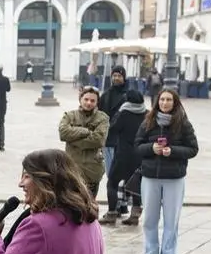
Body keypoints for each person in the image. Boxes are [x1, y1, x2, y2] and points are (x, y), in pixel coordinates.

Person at [134, 88, 199, 254]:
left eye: (169, 100)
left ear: (175, 102)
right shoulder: (148, 121)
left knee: (171, 218)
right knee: (149, 218)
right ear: (157, 102)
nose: (165, 103)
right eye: (162, 99)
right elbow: (137, 146)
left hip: (174, 178)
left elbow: (193, 149)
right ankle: (151, 253)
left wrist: (173, 152)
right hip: (150, 177)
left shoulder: (184, 124)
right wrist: (151, 149)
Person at [99, 89, 147, 226]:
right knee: (135, 184)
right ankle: (135, 216)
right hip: (140, 156)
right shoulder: (147, 114)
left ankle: (111, 214)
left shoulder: (124, 113)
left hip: (123, 155)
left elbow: (113, 128)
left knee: (112, 183)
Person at [58, 86, 109, 198]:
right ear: (80, 99)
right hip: (72, 170)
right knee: (71, 205)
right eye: (86, 99)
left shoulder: (103, 118)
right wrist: (84, 131)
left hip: (92, 171)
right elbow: (63, 133)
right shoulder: (70, 116)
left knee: (89, 206)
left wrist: (73, 140)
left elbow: (99, 140)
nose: (89, 103)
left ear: (97, 102)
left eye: (92, 100)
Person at [99, 66, 129, 214]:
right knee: (112, 174)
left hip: (123, 141)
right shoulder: (106, 95)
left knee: (122, 174)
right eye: (114, 75)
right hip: (109, 141)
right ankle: (116, 204)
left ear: (124, 77)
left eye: (119, 76)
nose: (116, 78)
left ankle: (122, 204)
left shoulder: (129, 95)